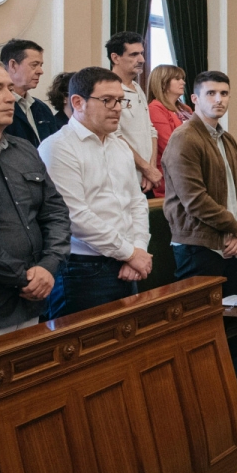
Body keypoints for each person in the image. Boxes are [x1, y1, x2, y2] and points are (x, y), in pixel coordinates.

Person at [0, 56, 69, 347]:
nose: (9, 97)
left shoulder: (24, 149)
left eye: (9, 88)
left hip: (33, 301)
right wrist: (23, 276)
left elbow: (55, 212)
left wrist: (48, 265)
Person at [38, 67, 151, 317]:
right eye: (107, 100)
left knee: (124, 346)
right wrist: (130, 253)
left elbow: (137, 202)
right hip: (82, 269)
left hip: (126, 262)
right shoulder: (58, 147)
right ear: (78, 102)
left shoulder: (119, 147)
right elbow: (75, 216)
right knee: (82, 351)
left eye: (120, 100)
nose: (117, 108)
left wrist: (138, 249)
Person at [161, 71, 237, 298]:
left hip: (233, 242)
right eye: (211, 93)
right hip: (198, 245)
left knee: (231, 318)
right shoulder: (185, 137)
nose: (219, 99)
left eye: (224, 93)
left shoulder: (226, 138)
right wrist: (236, 228)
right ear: (195, 99)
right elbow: (195, 200)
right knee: (199, 322)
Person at [107, 31, 161, 194]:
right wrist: (145, 167)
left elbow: (150, 130)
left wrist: (150, 167)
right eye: (134, 54)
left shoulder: (137, 88)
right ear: (115, 58)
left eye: (142, 54)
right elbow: (114, 135)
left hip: (145, 178)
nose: (142, 60)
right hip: (123, 179)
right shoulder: (108, 89)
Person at [148, 64, 194, 198]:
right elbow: (168, 144)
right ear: (163, 83)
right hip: (171, 176)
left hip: (191, 169)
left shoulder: (185, 109)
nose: (183, 82)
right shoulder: (155, 108)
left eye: (183, 78)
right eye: (177, 79)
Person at [1, 39, 57, 146]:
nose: (40, 71)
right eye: (34, 65)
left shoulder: (43, 108)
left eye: (41, 65)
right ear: (13, 65)